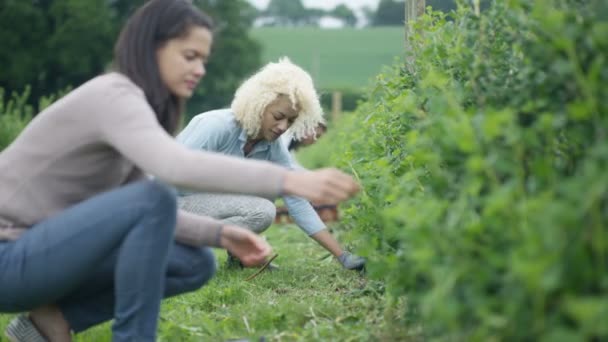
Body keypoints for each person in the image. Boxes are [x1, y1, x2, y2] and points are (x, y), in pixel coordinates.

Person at [0, 1, 359, 341]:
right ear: (151, 47)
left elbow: (139, 195)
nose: (200, 69)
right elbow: (170, 169)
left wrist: (222, 235)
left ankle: (53, 321)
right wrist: (289, 179)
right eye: (190, 56)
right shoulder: (112, 95)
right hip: (9, 255)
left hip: (49, 252)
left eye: (203, 59)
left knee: (195, 263)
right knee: (151, 197)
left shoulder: (141, 111)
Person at [176, 58, 365, 272]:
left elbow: (296, 199)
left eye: (291, 121)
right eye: (278, 116)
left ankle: (238, 256)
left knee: (268, 189)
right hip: (171, 204)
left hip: (199, 206)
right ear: (259, 104)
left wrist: (342, 255)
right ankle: (178, 246)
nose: (283, 127)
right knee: (262, 210)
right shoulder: (217, 126)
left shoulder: (271, 146)